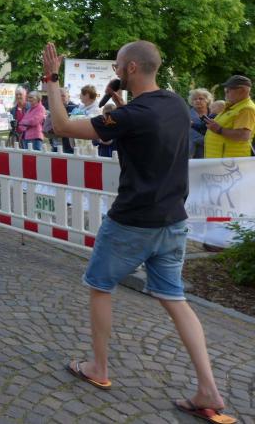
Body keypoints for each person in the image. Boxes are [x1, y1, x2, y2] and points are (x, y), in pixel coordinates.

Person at [43, 41, 236, 424]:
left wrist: (51, 79)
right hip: (173, 219)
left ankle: (98, 367)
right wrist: (118, 102)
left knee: (100, 285)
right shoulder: (176, 104)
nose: (115, 70)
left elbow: (62, 126)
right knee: (175, 298)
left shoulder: (132, 115)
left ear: (131, 67)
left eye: (118, 65)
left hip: (132, 220)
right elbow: (138, 126)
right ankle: (208, 389)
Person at [203, 75, 255, 158]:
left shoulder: (246, 109)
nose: (226, 93)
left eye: (228, 90)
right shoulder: (233, 106)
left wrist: (219, 129)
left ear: (242, 91)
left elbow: (243, 135)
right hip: (223, 159)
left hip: (230, 161)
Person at [188, 88, 213, 158]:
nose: (197, 101)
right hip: (193, 154)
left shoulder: (215, 113)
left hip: (213, 153)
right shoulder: (186, 115)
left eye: (201, 98)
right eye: (195, 99)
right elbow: (193, 136)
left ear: (207, 100)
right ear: (192, 102)